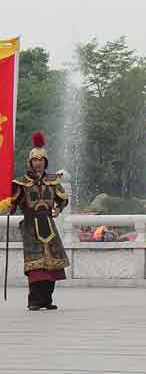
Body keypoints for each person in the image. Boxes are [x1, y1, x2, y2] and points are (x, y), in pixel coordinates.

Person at [9, 132, 70, 310]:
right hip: (30, 226)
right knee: (36, 267)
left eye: (41, 159)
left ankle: (47, 300)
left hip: (49, 225)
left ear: (45, 161)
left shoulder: (53, 181)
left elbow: (63, 199)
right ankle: (34, 301)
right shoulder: (21, 183)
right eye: (35, 159)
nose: (38, 162)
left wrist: (59, 209)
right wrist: (9, 204)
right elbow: (13, 202)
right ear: (30, 162)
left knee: (52, 266)